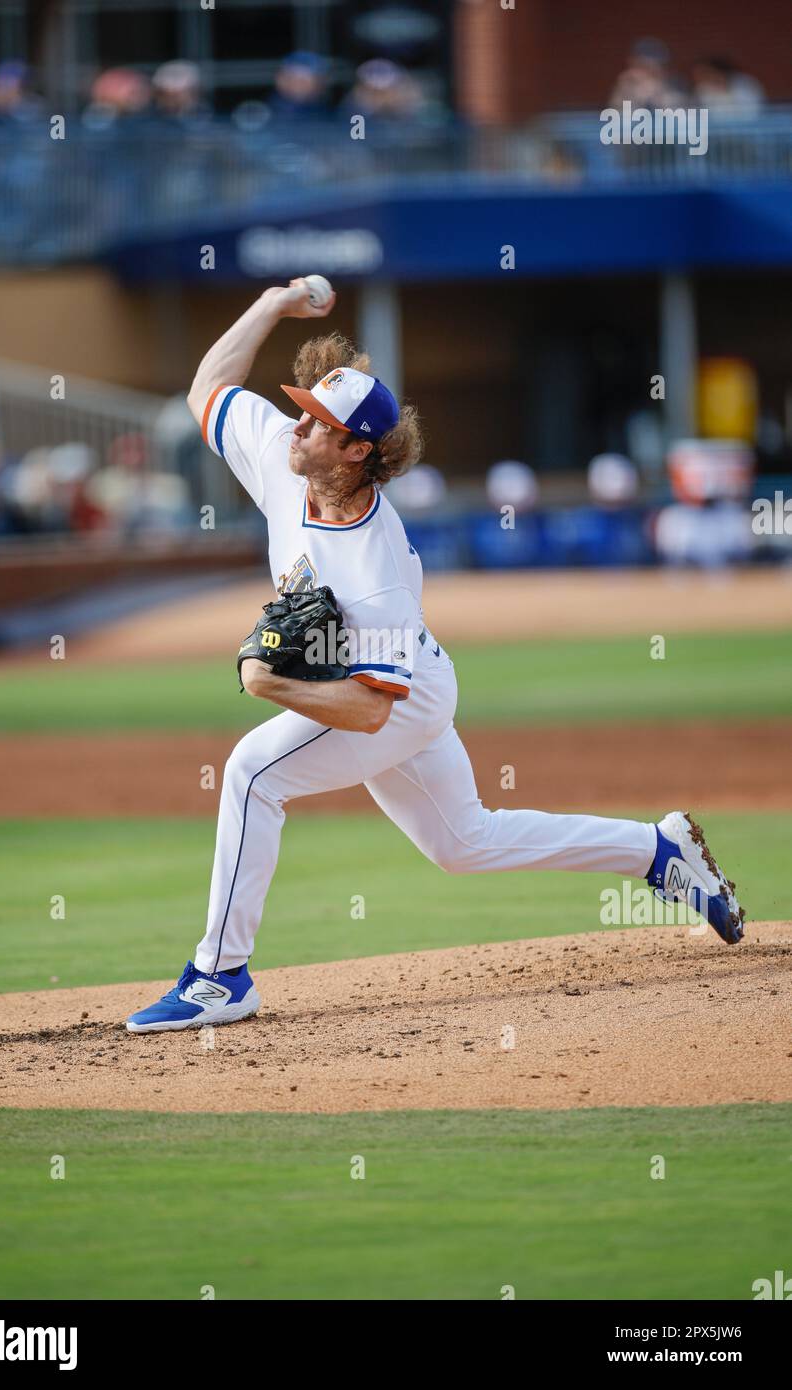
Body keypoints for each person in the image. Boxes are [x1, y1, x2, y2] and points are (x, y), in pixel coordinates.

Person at [126, 282, 745, 1033]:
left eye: (318, 423)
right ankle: (656, 850)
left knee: (253, 773)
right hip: (409, 678)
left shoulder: (375, 565)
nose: (296, 426)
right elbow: (209, 387)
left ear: (357, 451)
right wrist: (271, 304)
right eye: (303, 408)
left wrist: (271, 682)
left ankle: (220, 975)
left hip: (395, 699)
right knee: (463, 842)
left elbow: (368, 710)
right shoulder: (284, 455)